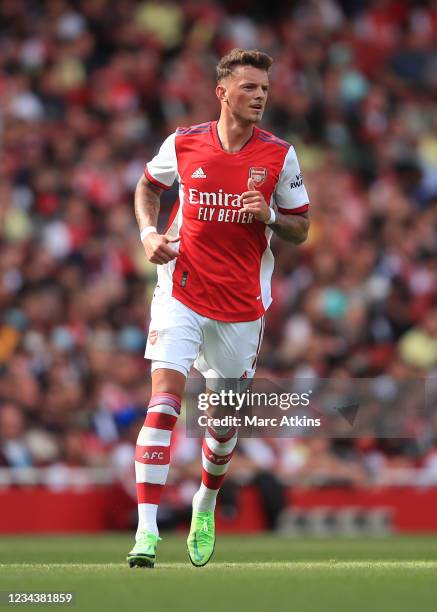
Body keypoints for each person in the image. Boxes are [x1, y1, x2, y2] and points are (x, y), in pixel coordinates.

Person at [127, 48, 310, 568]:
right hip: (180, 290)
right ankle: (146, 534)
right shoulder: (183, 143)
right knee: (164, 402)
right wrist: (147, 233)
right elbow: (148, 186)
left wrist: (272, 215)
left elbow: (302, 228)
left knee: (221, 425)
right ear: (222, 92)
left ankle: (204, 502)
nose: (259, 97)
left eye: (265, 89)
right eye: (249, 87)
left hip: (241, 306)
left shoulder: (280, 156)